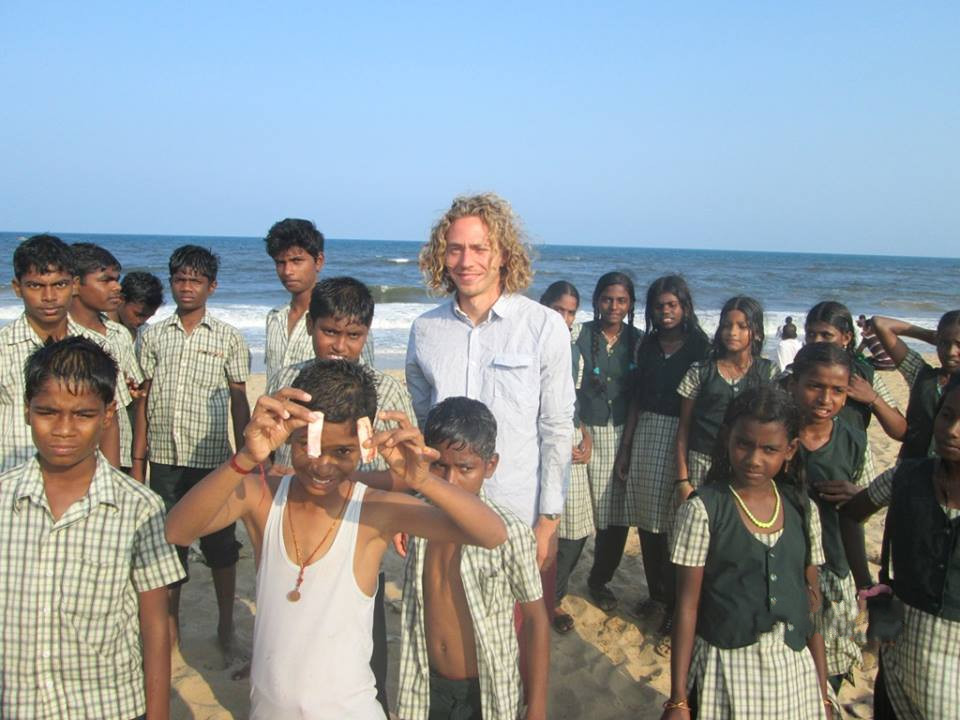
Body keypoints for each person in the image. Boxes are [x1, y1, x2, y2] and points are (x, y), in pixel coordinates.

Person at [164, 359, 508, 720]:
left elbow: (491, 533)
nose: (322, 465)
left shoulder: (375, 510)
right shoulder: (263, 497)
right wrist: (246, 457)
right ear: (287, 433)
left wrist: (422, 481)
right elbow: (178, 530)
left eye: (342, 451)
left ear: (364, 443)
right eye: (307, 446)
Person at [405, 193, 575, 610]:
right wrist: (411, 504)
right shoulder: (425, 331)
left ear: (503, 255)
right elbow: (422, 429)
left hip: (515, 512)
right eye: (455, 248)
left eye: (480, 248)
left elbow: (556, 427)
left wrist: (548, 522)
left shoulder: (543, 327)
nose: (467, 261)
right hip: (443, 510)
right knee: (449, 633)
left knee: (515, 641)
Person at [0, 337, 184, 719]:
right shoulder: (3, 500)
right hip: (18, 704)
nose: (64, 429)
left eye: (83, 415)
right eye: (47, 412)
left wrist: (159, 713)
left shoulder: (140, 507)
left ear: (108, 414)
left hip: (108, 706)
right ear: (25, 411)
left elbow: (154, 624)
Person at [267, 275, 413, 711]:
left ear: (367, 333)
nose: (339, 345)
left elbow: (403, 476)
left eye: (353, 335)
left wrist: (344, 485)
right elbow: (271, 463)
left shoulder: (385, 392)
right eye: (330, 331)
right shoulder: (288, 385)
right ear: (311, 325)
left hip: (359, 534)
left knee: (364, 652)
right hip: (295, 532)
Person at [663, 385, 833, 719]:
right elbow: (686, 607)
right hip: (726, 664)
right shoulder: (703, 510)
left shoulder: (803, 510)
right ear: (728, 439)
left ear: (790, 450)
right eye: (744, 444)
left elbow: (812, 607)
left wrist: (823, 692)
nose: (754, 459)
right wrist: (678, 698)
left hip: (791, 668)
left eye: (769, 449)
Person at [397, 396, 548, 720]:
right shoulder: (416, 519)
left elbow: (536, 619)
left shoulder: (511, 533)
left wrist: (536, 707)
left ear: (490, 466)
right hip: (425, 685)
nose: (450, 481)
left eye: (465, 468)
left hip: (486, 691)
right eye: (439, 466)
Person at [133, 244, 251, 650]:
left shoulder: (228, 339)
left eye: (195, 281)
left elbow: (239, 397)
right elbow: (143, 398)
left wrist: (247, 454)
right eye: (180, 280)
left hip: (213, 460)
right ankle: (172, 628)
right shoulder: (153, 337)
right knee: (171, 545)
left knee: (220, 545)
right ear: (171, 284)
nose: (187, 288)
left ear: (211, 287)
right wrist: (139, 457)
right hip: (165, 457)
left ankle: (225, 626)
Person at [832, 372, 960, 719]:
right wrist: (867, 584)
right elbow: (852, 514)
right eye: (947, 416)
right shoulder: (906, 476)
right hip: (900, 648)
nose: (952, 430)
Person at [596, 276, 709, 620]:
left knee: (676, 521)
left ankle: (676, 603)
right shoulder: (646, 346)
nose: (665, 312)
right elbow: (635, 400)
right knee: (647, 521)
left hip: (682, 436)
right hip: (646, 433)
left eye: (672, 305)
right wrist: (627, 446)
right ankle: (658, 595)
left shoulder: (700, 347)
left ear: (684, 307)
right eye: (659, 306)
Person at [788, 342, 874, 692]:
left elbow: (866, 508)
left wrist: (858, 496)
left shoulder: (855, 442)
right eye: (815, 386)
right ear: (794, 383)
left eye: (837, 390)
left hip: (836, 569)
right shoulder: (774, 436)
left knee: (831, 670)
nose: (826, 398)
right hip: (785, 567)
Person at [1, 234, 119, 472]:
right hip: (9, 484)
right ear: (17, 288)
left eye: (59, 285)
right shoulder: (3, 348)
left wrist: (115, 481)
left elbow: (110, 422)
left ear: (74, 285)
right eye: (36, 286)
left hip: (81, 485)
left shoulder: (98, 346)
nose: (49, 297)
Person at [575, 274, 643, 609]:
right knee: (575, 516)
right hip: (584, 436)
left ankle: (599, 579)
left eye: (621, 301)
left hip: (623, 435)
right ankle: (555, 583)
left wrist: (628, 447)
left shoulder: (640, 342)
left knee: (615, 519)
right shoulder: (579, 335)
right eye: (607, 299)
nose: (613, 307)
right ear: (596, 300)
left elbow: (639, 398)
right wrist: (580, 428)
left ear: (630, 304)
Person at [677, 295, 775, 494]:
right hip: (701, 461)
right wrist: (682, 480)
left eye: (742, 326)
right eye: (727, 325)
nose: (733, 332)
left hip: (746, 464)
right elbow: (684, 427)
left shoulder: (768, 372)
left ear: (756, 332)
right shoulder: (700, 371)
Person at [540, 280, 594, 634]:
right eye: (558, 309)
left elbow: (577, 398)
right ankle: (545, 602)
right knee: (542, 525)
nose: (564, 317)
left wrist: (585, 434)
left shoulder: (576, 350)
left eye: (571, 311)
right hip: (536, 440)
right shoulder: (528, 340)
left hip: (570, 436)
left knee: (577, 529)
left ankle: (554, 595)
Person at [263, 218, 373, 387]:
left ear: (319, 261)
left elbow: (367, 378)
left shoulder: (347, 321)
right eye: (280, 262)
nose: (287, 271)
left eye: (296, 261)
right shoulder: (274, 317)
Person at [69, 242, 145, 473]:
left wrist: (132, 389)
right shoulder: (64, 336)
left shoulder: (119, 334)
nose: (116, 287)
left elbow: (132, 390)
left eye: (117, 279)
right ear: (75, 284)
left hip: (119, 452)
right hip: (79, 454)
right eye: (105, 280)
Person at [804, 301, 905, 439]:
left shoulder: (863, 376)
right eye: (811, 334)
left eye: (826, 335)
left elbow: (901, 431)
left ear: (846, 338)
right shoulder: (795, 374)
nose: (816, 341)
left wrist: (873, 399)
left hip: (856, 459)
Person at [868, 310, 960, 459]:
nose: (951, 352)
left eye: (959, 345)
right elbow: (880, 323)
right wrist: (928, 335)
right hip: (911, 472)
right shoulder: (920, 374)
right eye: (944, 343)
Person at [117, 270, 165, 340]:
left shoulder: (147, 334)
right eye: (138, 314)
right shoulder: (99, 329)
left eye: (148, 316)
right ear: (121, 299)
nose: (141, 321)